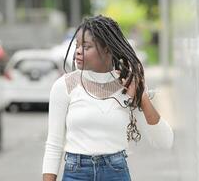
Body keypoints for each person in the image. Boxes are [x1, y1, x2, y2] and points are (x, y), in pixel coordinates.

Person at [42, 15, 174, 181]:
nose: (78, 51)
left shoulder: (128, 85)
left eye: (86, 46)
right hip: (76, 173)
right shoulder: (65, 86)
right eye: (77, 45)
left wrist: (142, 97)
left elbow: (165, 142)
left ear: (107, 49)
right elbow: (54, 144)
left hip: (116, 173)